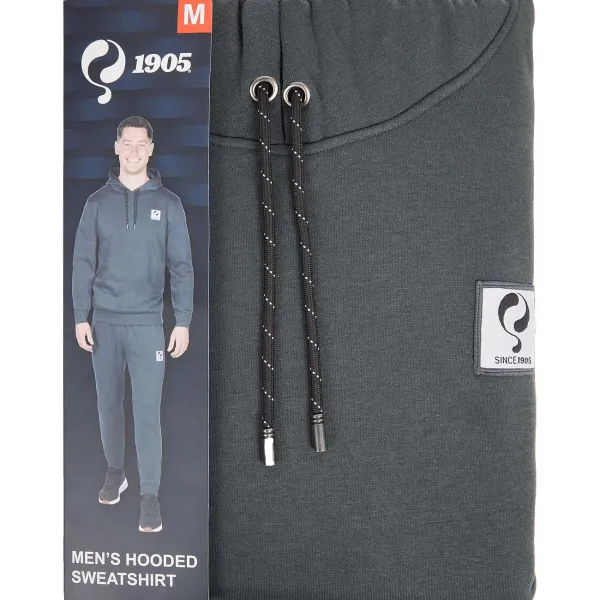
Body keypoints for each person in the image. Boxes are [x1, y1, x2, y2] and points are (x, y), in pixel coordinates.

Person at [72, 116, 194, 533]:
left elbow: (181, 266)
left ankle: (149, 497)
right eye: (128, 143)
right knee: (108, 405)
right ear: (116, 147)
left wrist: (182, 320)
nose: (134, 150)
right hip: (104, 323)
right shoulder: (96, 204)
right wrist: (80, 315)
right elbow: (82, 263)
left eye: (142, 144)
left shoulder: (170, 204)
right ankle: (115, 472)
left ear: (151, 149)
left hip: (147, 326)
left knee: (146, 411)